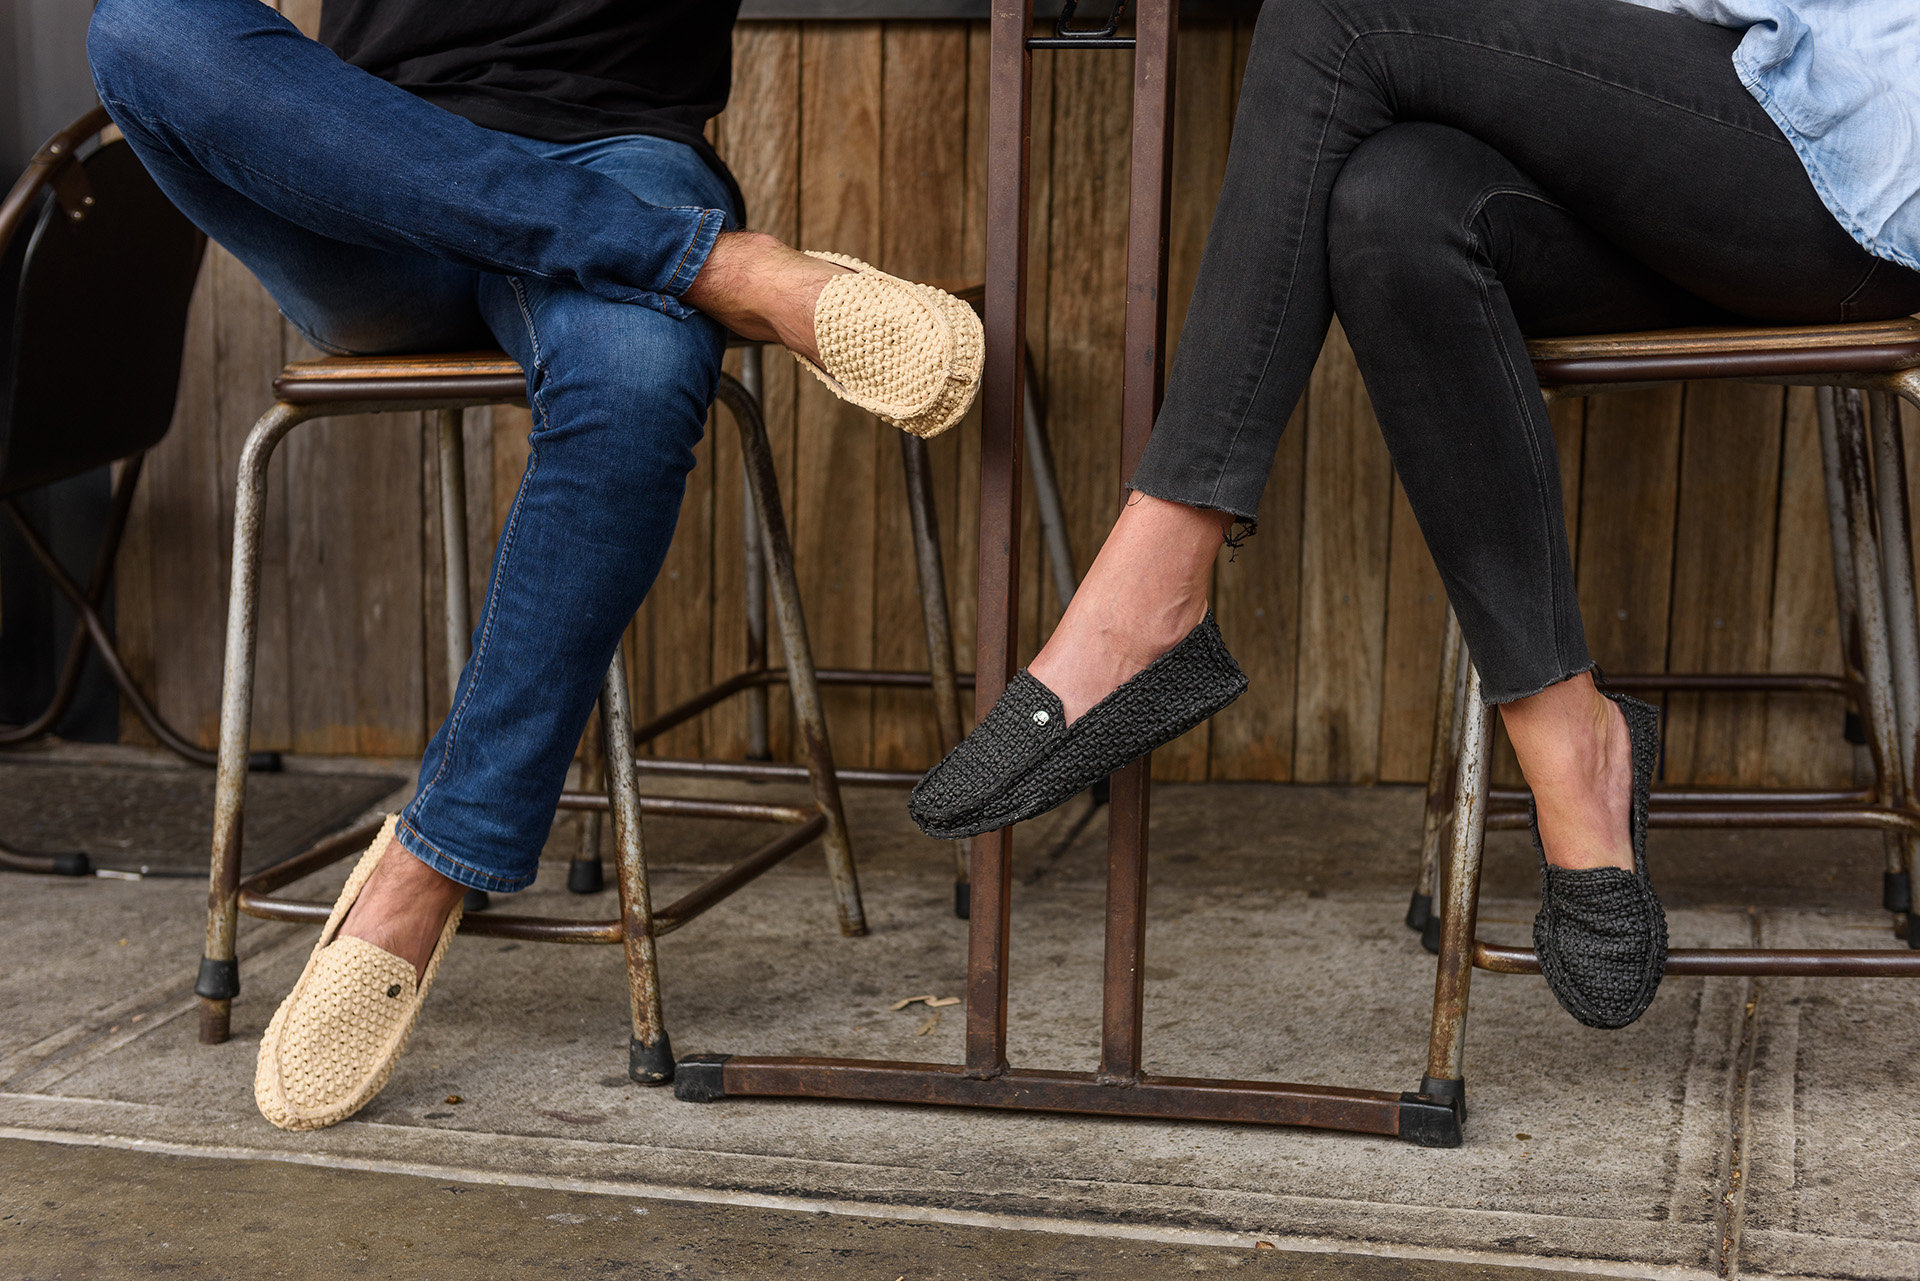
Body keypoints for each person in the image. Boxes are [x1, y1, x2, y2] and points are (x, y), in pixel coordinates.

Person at [911, 0, 1920, 1031]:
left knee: (1330, 10)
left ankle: (1151, 592)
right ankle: (1573, 734)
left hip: (1850, 157)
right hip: (1662, 175)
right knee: (1392, 203)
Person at [86, 0, 981, 1132]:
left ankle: (434, 863)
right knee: (143, 27)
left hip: (622, 148)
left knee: (640, 386)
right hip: (374, 171)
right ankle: (718, 270)